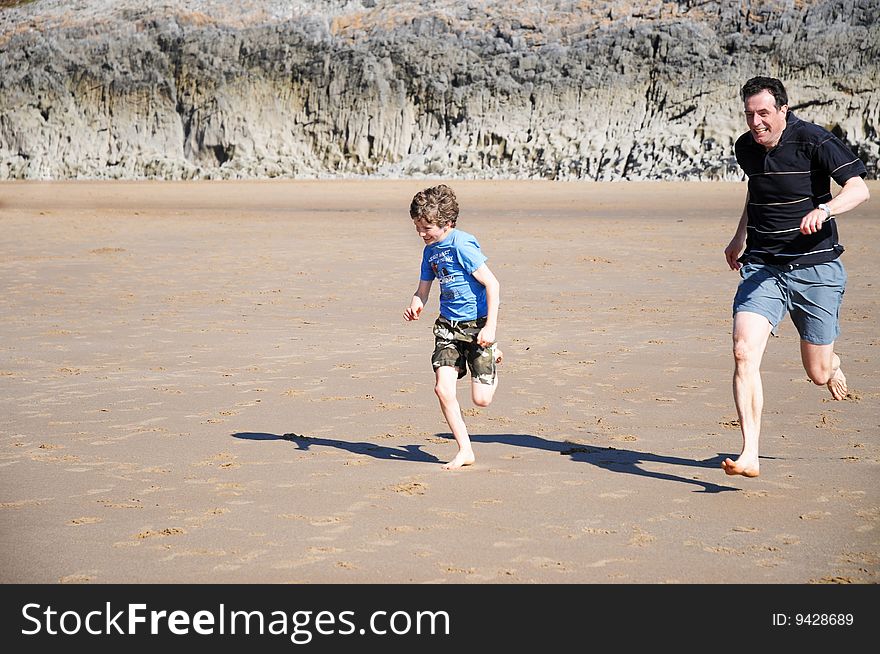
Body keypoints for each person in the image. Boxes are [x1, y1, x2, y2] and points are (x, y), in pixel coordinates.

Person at [722, 76, 870, 477]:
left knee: (817, 373)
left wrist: (825, 211)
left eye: (764, 113)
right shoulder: (745, 148)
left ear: (783, 110)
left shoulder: (815, 141)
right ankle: (749, 452)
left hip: (815, 267)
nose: (756, 122)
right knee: (742, 351)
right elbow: (758, 192)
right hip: (764, 266)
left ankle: (832, 364)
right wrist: (740, 235)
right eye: (750, 114)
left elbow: (859, 189)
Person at [404, 184, 503, 469]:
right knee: (442, 389)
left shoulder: (462, 244)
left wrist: (490, 329)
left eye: (427, 228)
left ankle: (492, 352)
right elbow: (423, 290)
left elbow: (492, 284)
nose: (422, 234)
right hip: (447, 328)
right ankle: (465, 450)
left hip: (477, 328)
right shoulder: (430, 252)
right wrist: (416, 304)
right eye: (417, 228)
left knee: (481, 400)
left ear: (447, 223)